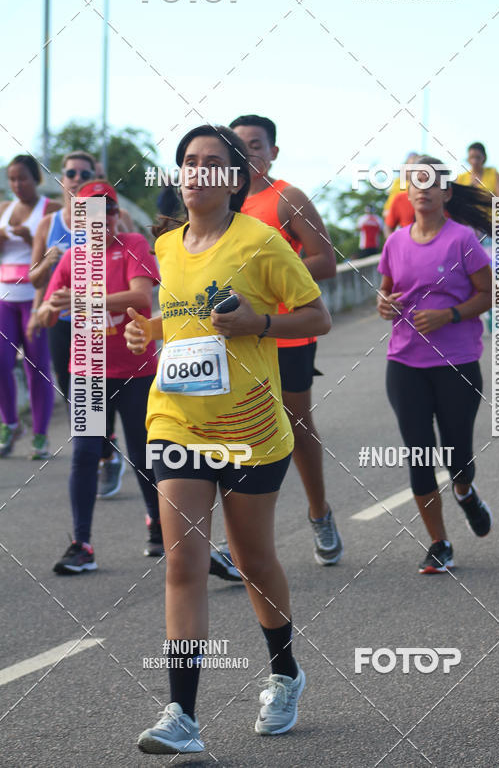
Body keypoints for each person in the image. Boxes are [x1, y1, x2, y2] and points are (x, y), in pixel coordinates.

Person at [127, 125, 331, 753]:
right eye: (188, 162)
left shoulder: (262, 242)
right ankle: (181, 716)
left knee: (253, 562)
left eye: (212, 163)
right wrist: (153, 332)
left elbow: (317, 314)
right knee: (185, 562)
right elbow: (186, 313)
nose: (196, 172)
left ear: (236, 179)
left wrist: (258, 323)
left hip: (249, 426)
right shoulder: (164, 246)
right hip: (177, 419)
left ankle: (285, 672)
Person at [230, 114, 342, 566]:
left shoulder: (286, 198)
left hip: (287, 335)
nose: (250, 153)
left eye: (258, 145)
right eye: (240, 146)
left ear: (273, 151)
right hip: (237, 336)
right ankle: (242, 543)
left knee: (296, 425)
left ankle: (319, 512)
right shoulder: (222, 203)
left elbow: (325, 261)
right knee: (236, 430)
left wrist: (270, 283)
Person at [38, 180, 163, 571]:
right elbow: (46, 311)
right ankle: (82, 545)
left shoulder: (133, 246)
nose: (99, 220)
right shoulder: (70, 258)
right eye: (89, 213)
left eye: (106, 212)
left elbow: (142, 296)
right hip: (88, 371)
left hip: (136, 370)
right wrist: (48, 310)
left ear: (115, 215)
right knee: (85, 454)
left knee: (144, 454)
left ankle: (158, 525)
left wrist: (79, 300)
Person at [377, 157, 493, 573]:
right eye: (415, 181)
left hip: (457, 363)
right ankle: (439, 542)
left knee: (458, 455)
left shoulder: (462, 240)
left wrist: (451, 315)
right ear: (406, 192)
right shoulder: (395, 243)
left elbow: (489, 294)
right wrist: (384, 304)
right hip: (405, 363)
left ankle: (465, 492)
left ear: (446, 192)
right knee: (419, 453)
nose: (422, 188)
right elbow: (387, 292)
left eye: (432, 182)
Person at [29, 151, 125, 497]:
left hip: (100, 318)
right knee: (71, 389)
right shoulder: (49, 224)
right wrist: (50, 264)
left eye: (85, 172)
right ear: (62, 179)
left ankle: (104, 454)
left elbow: (127, 258)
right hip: (62, 318)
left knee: (100, 390)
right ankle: (103, 448)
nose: (76, 177)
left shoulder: (113, 214)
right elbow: (34, 278)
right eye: (70, 172)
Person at [0, 155, 60, 458]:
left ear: (35, 178)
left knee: (37, 368)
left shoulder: (50, 210)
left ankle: (40, 435)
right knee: (1, 362)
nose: (17, 184)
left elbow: (58, 252)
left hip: (36, 297)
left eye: (22, 178)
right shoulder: (3, 209)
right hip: (5, 298)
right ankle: (10, 423)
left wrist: (29, 237)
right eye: (11, 179)